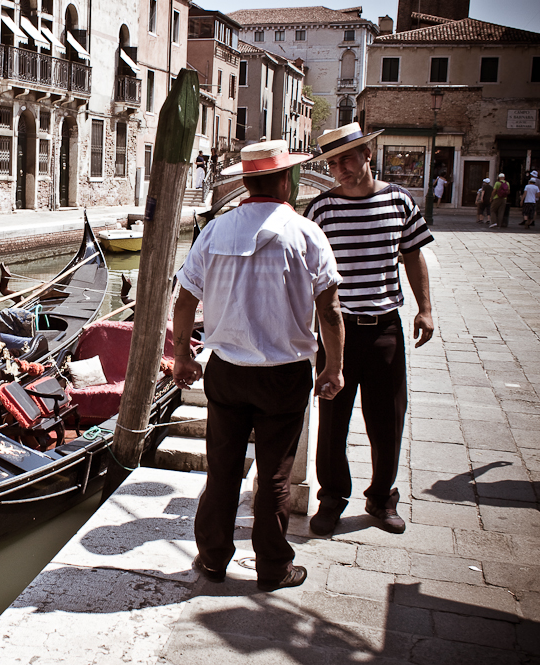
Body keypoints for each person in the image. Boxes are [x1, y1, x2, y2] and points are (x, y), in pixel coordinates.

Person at [172, 140, 345, 592]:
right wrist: (334, 368)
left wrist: (183, 357)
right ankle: (272, 566)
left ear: (247, 182)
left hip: (226, 370)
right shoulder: (306, 233)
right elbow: (329, 311)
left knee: (223, 469)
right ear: (286, 180)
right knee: (273, 474)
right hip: (284, 373)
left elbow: (185, 300)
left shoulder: (215, 231)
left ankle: (212, 559)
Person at [304, 122, 434, 536]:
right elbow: (303, 272)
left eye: (347, 158)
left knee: (387, 419)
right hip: (336, 332)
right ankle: (331, 498)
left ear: (367, 155)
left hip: (385, 330)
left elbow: (413, 256)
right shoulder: (321, 209)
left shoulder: (399, 201)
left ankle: (381, 498)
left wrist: (425, 309)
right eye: (333, 162)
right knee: (333, 418)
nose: (340, 167)